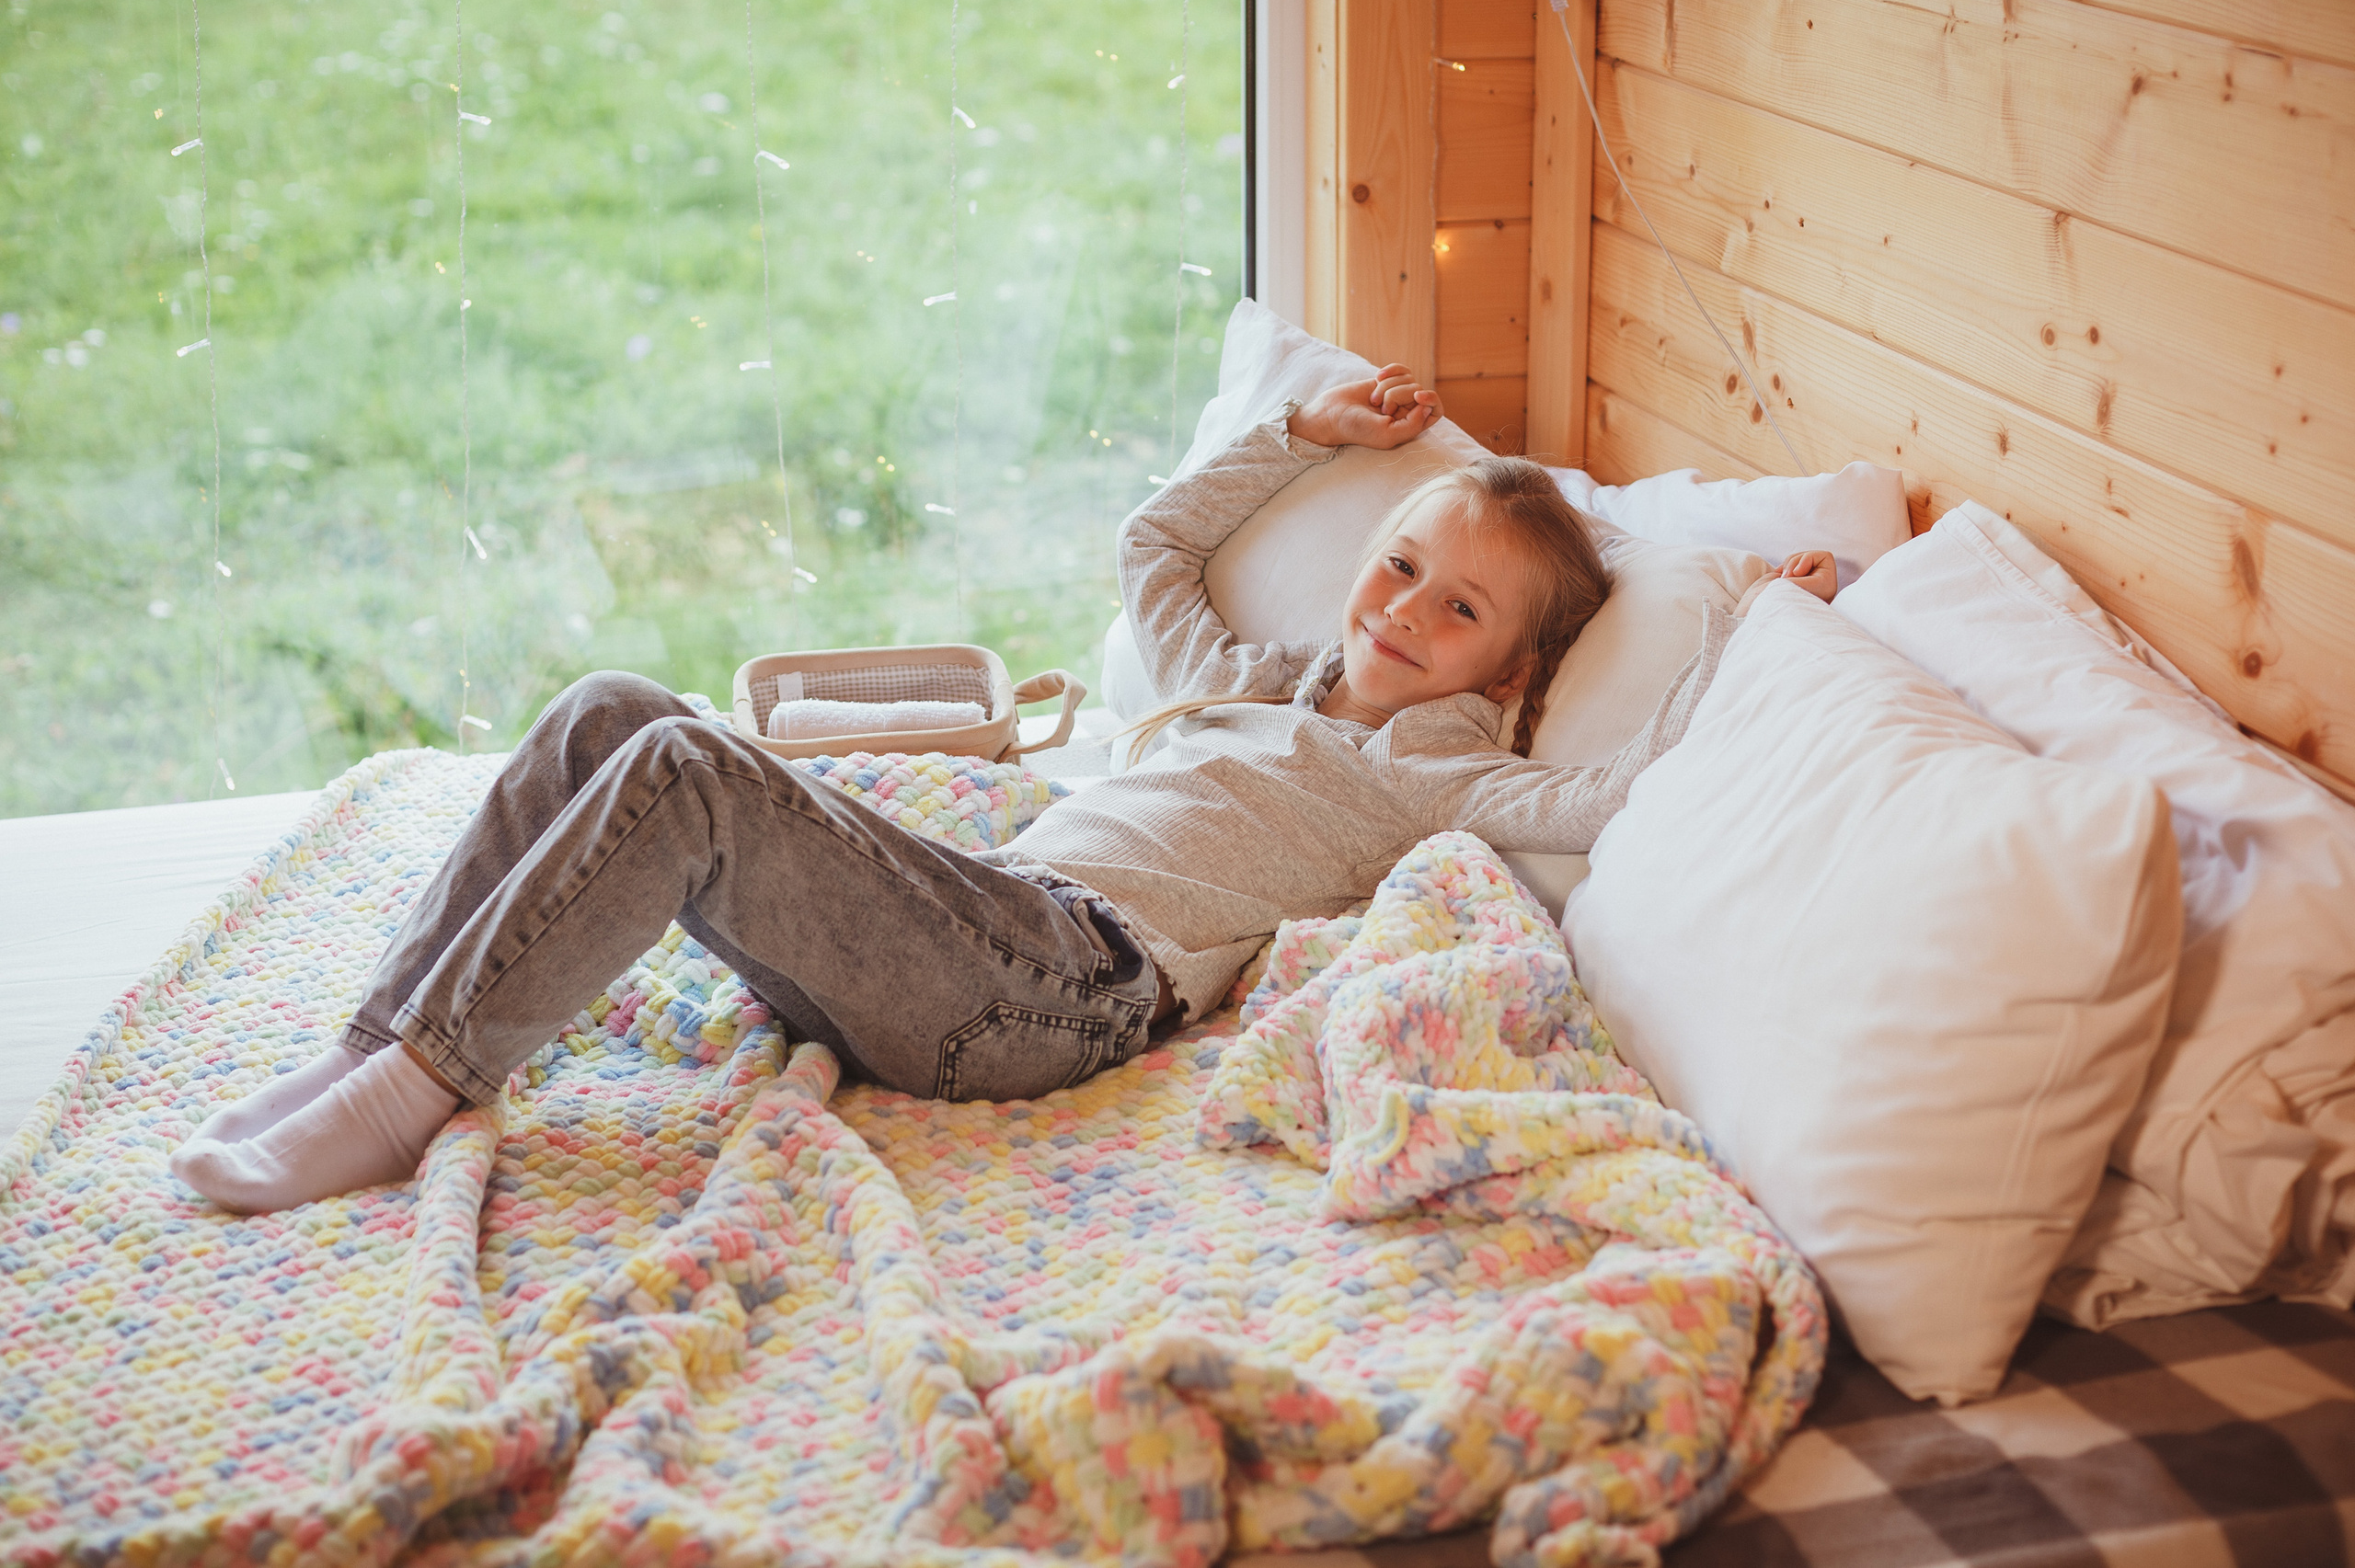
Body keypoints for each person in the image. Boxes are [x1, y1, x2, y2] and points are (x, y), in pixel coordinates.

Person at [171, 367, 1836, 1213]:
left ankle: (412, 1100)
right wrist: (1306, 430)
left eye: (1454, 609)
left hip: (1058, 992)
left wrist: (1757, 615)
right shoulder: (1255, 680)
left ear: (1507, 673)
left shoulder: (1437, 773)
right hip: (969, 925)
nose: (1398, 610)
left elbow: (1631, 786)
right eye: (1399, 567)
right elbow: (1156, 549)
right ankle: (382, 1044)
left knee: (685, 766)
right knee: (614, 707)